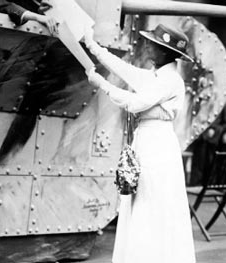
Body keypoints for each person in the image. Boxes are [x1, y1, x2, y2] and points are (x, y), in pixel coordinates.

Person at [84, 24, 196, 263]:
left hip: (158, 147)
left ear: (165, 52)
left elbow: (136, 103)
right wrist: (92, 45)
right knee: (140, 201)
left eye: (153, 44)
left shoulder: (170, 80)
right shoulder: (157, 77)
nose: (146, 46)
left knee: (152, 203)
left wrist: (101, 84)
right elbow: (124, 70)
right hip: (147, 142)